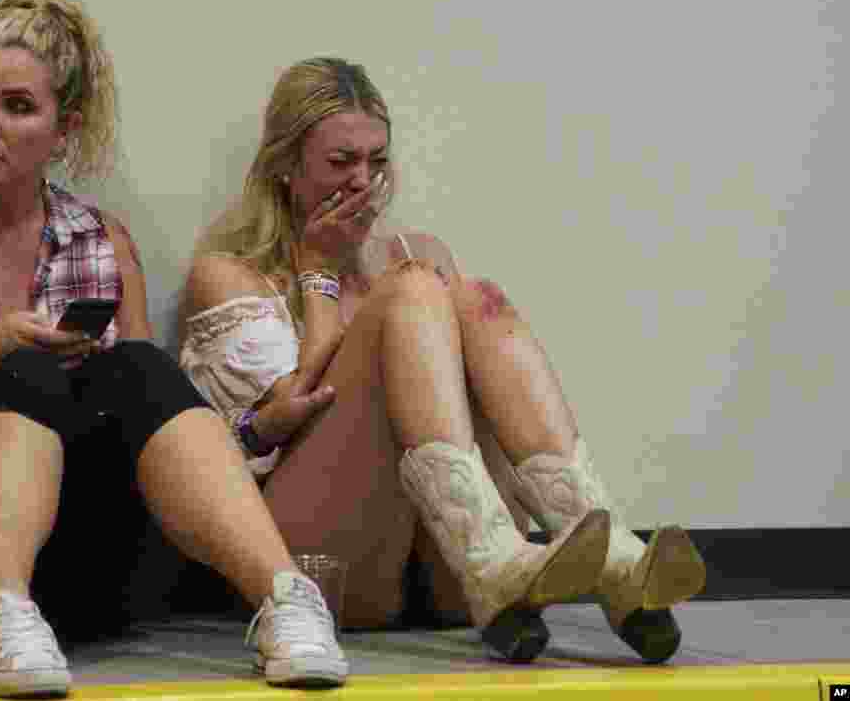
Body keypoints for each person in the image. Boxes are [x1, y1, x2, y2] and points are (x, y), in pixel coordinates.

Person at [0, 0, 347, 696]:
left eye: (16, 107)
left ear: (62, 131)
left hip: (82, 563)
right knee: (20, 366)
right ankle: (0, 606)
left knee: (135, 365)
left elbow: (146, 433)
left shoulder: (102, 241)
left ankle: (286, 597)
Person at [180, 57, 707, 665]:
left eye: (377, 162)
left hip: (445, 573)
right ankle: (499, 556)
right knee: (412, 289)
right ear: (285, 168)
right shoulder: (228, 273)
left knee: (473, 297)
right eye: (339, 163)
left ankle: (607, 554)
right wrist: (318, 273)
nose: (361, 182)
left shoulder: (417, 253)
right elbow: (276, 422)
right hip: (323, 565)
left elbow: (470, 406)